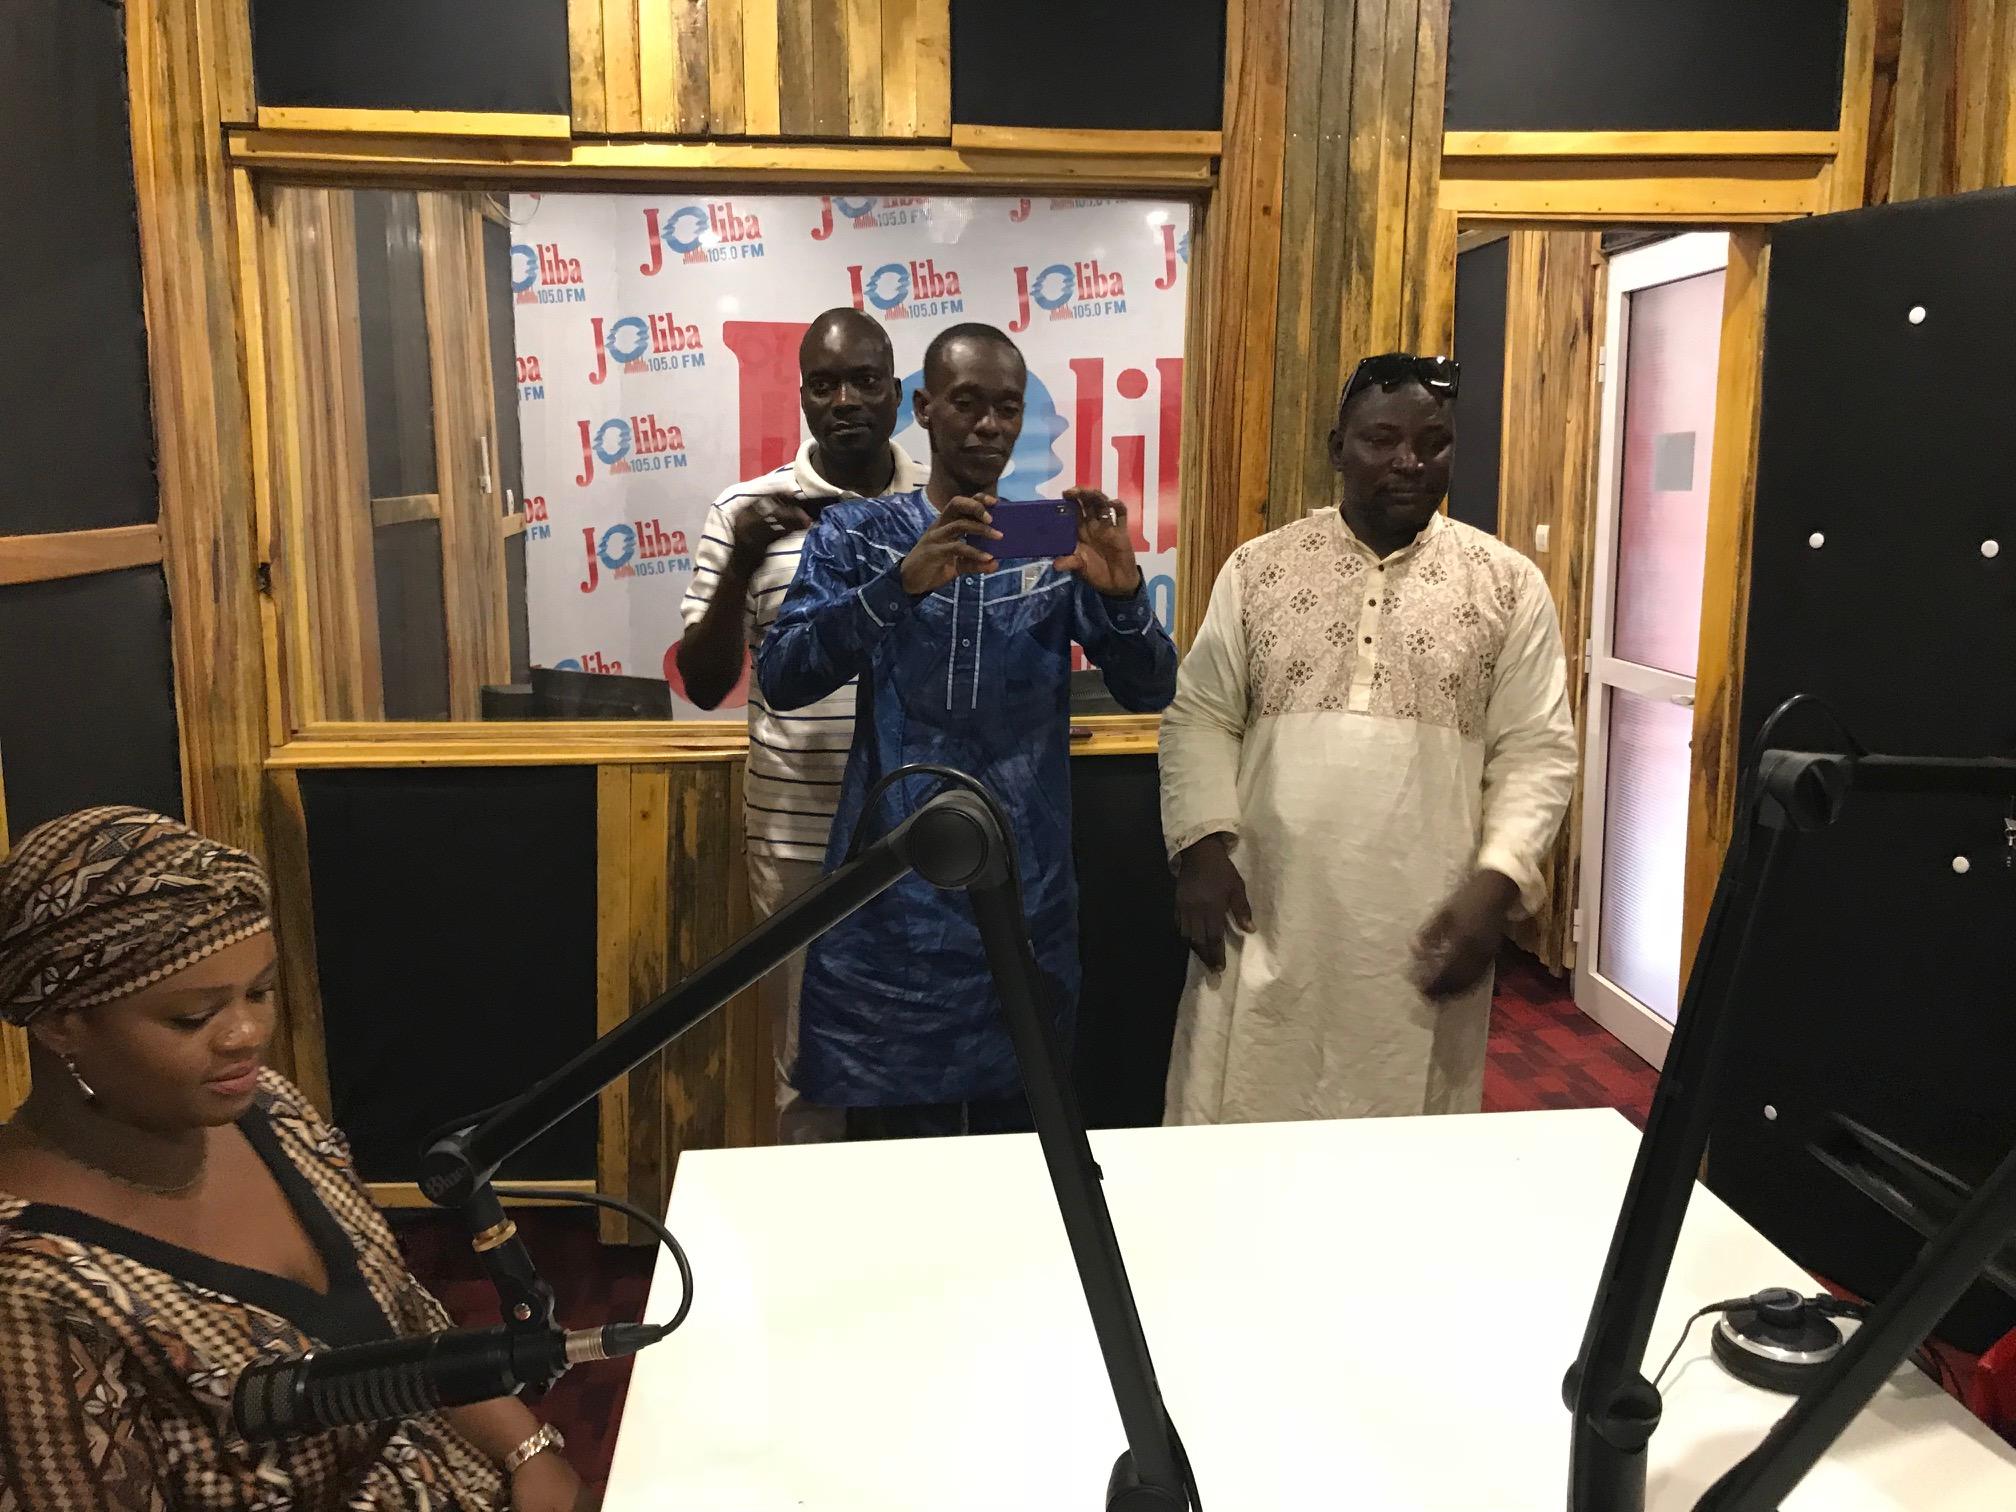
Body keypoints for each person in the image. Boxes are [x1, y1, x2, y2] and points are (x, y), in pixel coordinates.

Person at [0, 807, 593, 1511]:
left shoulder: (265, 1109)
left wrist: (529, 1451)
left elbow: (402, 1317)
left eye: (260, 991)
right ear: (61, 1024)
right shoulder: (28, 1293)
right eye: (192, 1017)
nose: (247, 1034)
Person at [757, 323, 1177, 1140]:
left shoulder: (1053, 543)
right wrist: (900, 584)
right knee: (888, 1156)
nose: (987, 425)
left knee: (1021, 1148)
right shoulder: (860, 534)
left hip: (1023, 898)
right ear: (924, 409)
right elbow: (785, 675)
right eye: (967, 403)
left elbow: (1152, 688)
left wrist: (1123, 595)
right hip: (890, 901)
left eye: (1006, 408)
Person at [1160, 353, 1576, 1125]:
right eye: (1382, 440)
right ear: (1337, 448)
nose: (1410, 462)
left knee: (1399, 1145)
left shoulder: (1507, 583)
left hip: (1425, 921)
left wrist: (1498, 881)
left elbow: (1536, 749)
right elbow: (1203, 714)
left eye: (1434, 442)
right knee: (1244, 1126)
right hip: (1266, 904)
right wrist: (1201, 848)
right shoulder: (1259, 569)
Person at [675, 308, 927, 1144]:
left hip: (918, 832)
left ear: (899, 394)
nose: (844, 400)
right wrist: (742, 563)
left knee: (925, 1056)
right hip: (798, 838)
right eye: (823, 385)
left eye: (864, 381)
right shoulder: (745, 511)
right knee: (807, 1066)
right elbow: (705, 684)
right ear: (803, 398)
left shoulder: (942, 503)